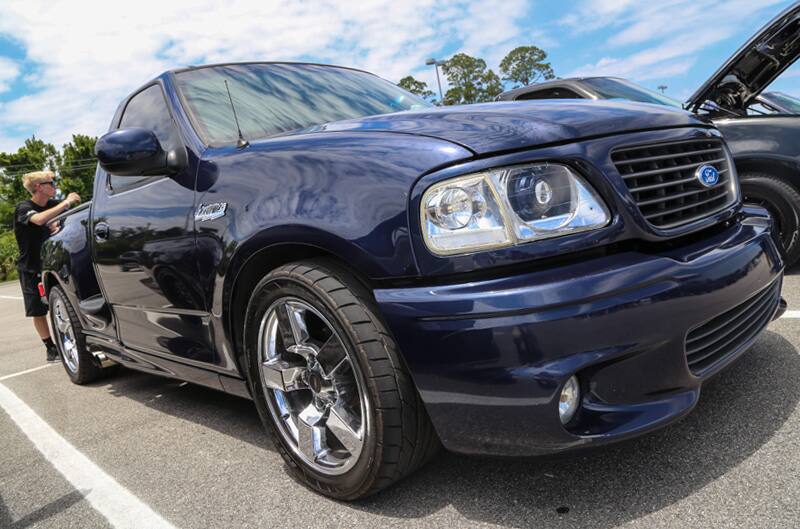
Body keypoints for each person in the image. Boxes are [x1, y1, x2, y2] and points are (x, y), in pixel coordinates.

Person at [13, 170, 81, 362]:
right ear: (38, 187)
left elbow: (65, 219)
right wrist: (66, 202)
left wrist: (60, 223)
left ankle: (77, 336)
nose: (55, 185)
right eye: (51, 182)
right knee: (38, 310)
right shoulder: (24, 208)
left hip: (52, 264)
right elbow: (40, 219)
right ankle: (50, 348)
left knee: (65, 302)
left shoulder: (52, 205)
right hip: (30, 267)